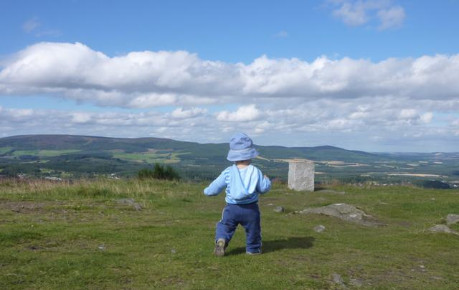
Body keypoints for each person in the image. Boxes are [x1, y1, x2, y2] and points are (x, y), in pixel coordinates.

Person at [204, 133, 271, 256]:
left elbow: (214, 188)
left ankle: (221, 240)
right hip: (251, 209)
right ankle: (253, 250)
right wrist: (267, 180)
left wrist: (207, 191)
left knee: (225, 226)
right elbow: (263, 189)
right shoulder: (256, 171)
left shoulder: (228, 172)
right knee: (253, 230)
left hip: (232, 208)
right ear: (250, 154)